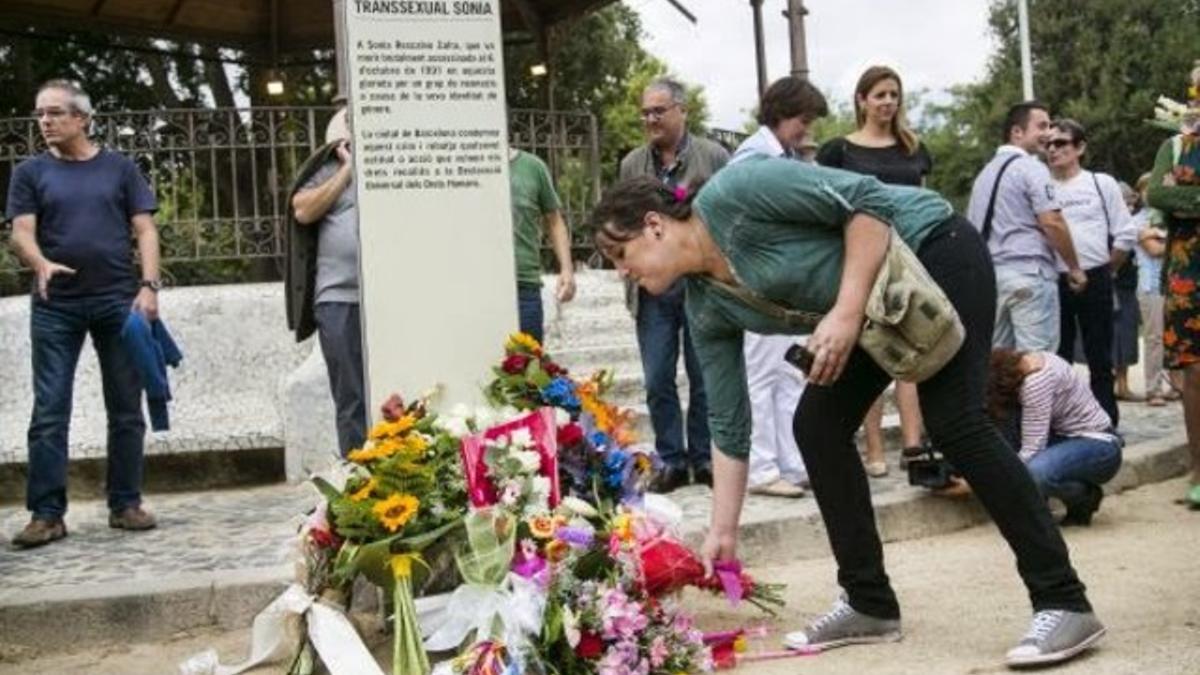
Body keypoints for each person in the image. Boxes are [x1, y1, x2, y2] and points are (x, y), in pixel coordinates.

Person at [591, 157, 1104, 667]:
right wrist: (723, 531)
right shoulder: (706, 306)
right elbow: (729, 423)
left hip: (932, 253)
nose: (621, 271)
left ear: (654, 225)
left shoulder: (737, 192)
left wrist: (844, 311)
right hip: (870, 307)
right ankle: (869, 603)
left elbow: (868, 202)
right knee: (817, 426)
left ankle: (1064, 601)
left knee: (955, 422)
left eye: (619, 253)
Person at [6, 80, 161, 548]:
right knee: (50, 411)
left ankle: (126, 503)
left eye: (54, 113)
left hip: (119, 301)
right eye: (39, 115)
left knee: (126, 408)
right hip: (57, 306)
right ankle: (47, 514)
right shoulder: (30, 172)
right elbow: (20, 232)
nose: (45, 122)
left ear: (81, 118)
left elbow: (146, 229)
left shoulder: (119, 168)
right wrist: (40, 262)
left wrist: (149, 287)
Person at [816, 65, 932, 477]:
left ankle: (914, 445)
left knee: (912, 349)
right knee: (869, 350)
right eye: (880, 94)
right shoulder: (837, 150)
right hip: (861, 262)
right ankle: (875, 448)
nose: (887, 102)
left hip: (909, 260)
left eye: (893, 95)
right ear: (862, 100)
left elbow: (920, 203)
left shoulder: (913, 148)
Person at [618, 78, 729, 493]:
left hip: (701, 284)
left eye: (658, 111)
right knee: (657, 378)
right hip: (652, 290)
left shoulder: (714, 156)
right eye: (645, 112)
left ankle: (703, 458)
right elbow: (621, 219)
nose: (650, 119)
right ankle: (671, 460)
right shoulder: (632, 164)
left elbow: (729, 211)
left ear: (682, 111)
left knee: (704, 377)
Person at [729, 76, 828, 498]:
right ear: (781, 114)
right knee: (762, 375)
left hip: (785, 280)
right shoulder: (753, 158)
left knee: (791, 372)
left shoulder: (780, 154)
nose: (806, 130)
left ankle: (792, 461)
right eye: (803, 120)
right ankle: (763, 467)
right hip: (761, 279)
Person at [967, 102, 1088, 353]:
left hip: (993, 278)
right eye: (1042, 126)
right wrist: (1075, 268)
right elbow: (1052, 222)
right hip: (1029, 274)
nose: (1049, 133)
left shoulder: (984, 175)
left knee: (1000, 367)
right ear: (1017, 132)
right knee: (1038, 363)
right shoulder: (1032, 168)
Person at [1044, 119, 1136, 426]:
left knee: (1100, 356)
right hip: (1053, 278)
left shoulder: (1100, 183)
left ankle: (1106, 422)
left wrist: (1108, 268)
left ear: (1080, 147)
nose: (1053, 150)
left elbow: (1125, 232)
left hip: (1096, 274)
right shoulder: (1041, 185)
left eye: (1061, 143)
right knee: (1059, 358)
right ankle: (1064, 423)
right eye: (1049, 144)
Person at [289, 107, 367, 457]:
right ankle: (358, 479)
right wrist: (348, 170)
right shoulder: (327, 167)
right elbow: (303, 210)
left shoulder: (399, 158)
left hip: (388, 298)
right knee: (350, 396)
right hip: (338, 298)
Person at [987, 349, 1123, 527]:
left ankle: (1084, 497)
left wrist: (983, 481)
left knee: (1035, 473)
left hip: (1100, 445)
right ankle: (1036, 509)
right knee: (1011, 440)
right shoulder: (1032, 361)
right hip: (1067, 438)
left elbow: (1031, 450)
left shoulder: (1034, 383)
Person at [1146, 93, 1200, 509]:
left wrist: (1185, 197)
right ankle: (1199, 472)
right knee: (1194, 375)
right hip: (1187, 276)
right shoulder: (1176, 146)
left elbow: (1172, 195)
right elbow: (1158, 197)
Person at [507, 145, 575, 344]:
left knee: (529, 368)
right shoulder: (461, 162)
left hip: (524, 284)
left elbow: (554, 220)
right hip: (472, 285)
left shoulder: (532, 167)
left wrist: (567, 269)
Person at [1132, 173, 1180, 406]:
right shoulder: (1139, 220)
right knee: (1154, 338)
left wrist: (1160, 234)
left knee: (1176, 336)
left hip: (1176, 284)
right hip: (1151, 284)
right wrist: (1164, 237)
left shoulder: (1172, 217)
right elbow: (1154, 250)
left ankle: (1175, 384)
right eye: (1145, 189)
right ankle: (1154, 388)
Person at [1112, 182, 1142, 401]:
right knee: (1114, 337)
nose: (1130, 205)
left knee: (1128, 337)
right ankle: (1115, 384)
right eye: (1126, 201)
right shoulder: (1112, 225)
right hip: (1114, 286)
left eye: (1132, 200)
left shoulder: (1130, 222)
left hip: (1128, 287)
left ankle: (1124, 383)